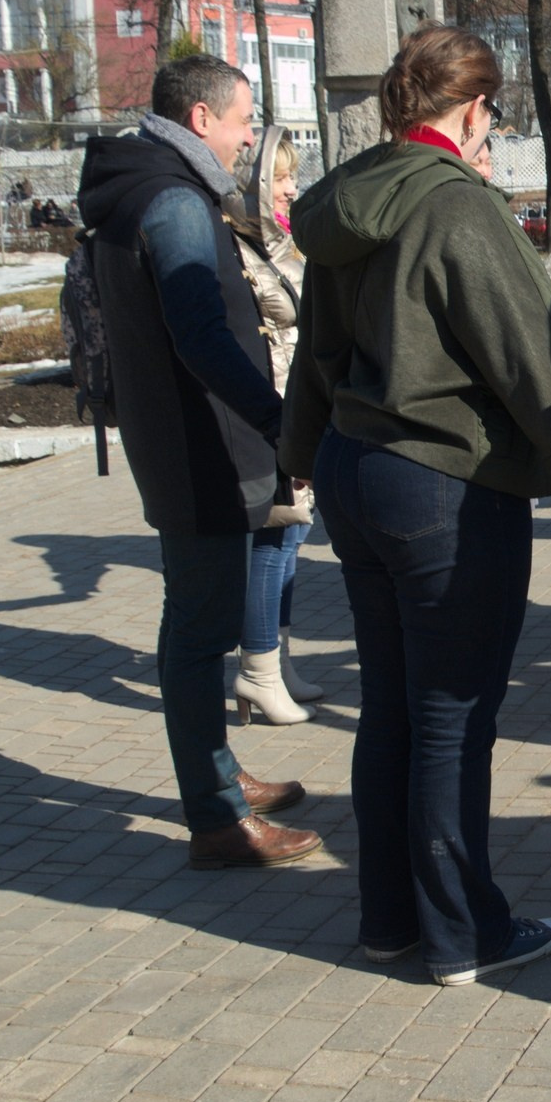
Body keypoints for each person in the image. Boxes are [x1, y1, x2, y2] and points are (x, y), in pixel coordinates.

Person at [283, 24, 551, 987]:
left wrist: (297, 459)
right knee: (452, 717)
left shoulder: (346, 201)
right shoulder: (457, 208)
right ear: (475, 109)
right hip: (444, 487)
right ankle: (462, 936)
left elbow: (316, 351)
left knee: (393, 710)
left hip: (354, 471)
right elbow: (536, 362)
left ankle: (391, 922)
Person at [77, 53, 320, 871]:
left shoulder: (142, 185)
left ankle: (218, 775)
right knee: (197, 632)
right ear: (202, 120)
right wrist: (277, 419)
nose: (250, 139)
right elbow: (202, 336)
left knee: (198, 623)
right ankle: (216, 818)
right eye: (244, 121)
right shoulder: (174, 201)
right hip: (199, 446)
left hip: (184, 440)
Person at [227, 127, 321, 726]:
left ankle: (277, 660)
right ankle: (256, 671)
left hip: (296, 405)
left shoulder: (273, 241)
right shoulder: (238, 247)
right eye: (279, 178)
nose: (290, 188)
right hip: (270, 409)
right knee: (273, 539)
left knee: (292, 537)